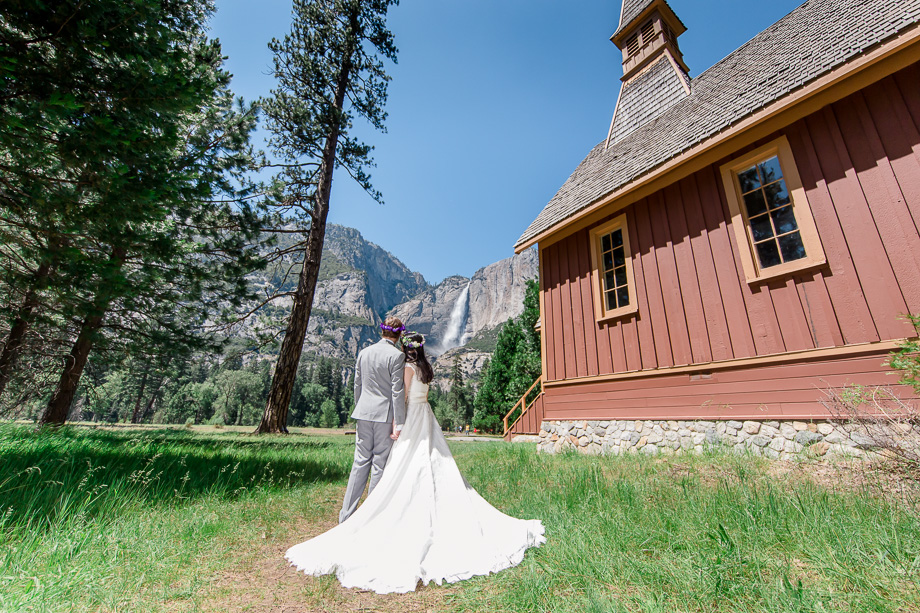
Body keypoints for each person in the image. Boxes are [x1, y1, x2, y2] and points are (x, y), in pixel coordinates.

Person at [285, 331, 545, 594]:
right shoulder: (425, 367)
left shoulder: (407, 367)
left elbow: (403, 395)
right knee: (429, 459)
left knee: (406, 462)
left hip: (411, 417)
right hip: (426, 415)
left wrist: (396, 422)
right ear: (420, 349)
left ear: (405, 348)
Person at [338, 316, 407, 524]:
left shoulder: (364, 352)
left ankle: (345, 515)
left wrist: (361, 407)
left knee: (359, 463)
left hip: (363, 413)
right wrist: (400, 422)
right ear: (399, 334)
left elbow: (357, 385)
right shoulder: (396, 356)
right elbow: (397, 392)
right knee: (379, 464)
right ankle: (369, 516)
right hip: (384, 415)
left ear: (382, 331)